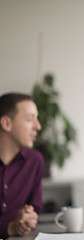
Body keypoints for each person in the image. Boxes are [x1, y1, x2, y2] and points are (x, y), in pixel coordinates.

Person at [0, 93, 44, 239]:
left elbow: (35, 209)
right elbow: (11, 228)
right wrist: (10, 227)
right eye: (29, 119)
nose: (38, 126)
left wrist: (29, 218)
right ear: (6, 124)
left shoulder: (35, 161)